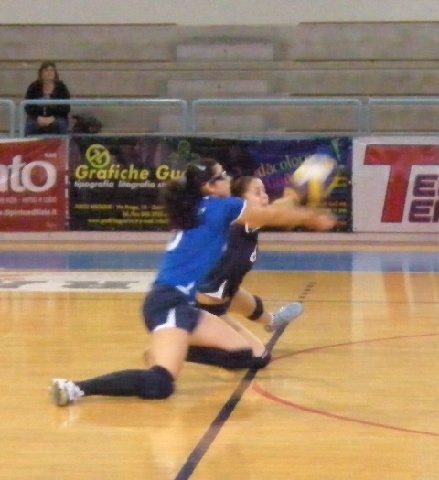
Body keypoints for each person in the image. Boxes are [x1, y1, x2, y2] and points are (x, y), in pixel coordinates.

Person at [51, 158, 336, 406]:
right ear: (210, 187)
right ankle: (76, 388)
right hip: (168, 302)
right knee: (160, 384)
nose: (228, 179)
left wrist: (293, 199)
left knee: (242, 355)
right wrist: (310, 216)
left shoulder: (202, 207)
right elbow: (271, 215)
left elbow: (267, 214)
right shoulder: (219, 208)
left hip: (185, 305)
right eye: (222, 176)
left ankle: (172, 348)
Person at [189, 176, 304, 364]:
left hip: (223, 291)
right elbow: (277, 211)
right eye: (257, 193)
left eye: (264, 191)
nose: (265, 196)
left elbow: (276, 211)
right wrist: (294, 196)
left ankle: (272, 321)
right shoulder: (241, 222)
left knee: (247, 301)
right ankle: (183, 346)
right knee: (259, 358)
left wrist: (291, 199)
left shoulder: (247, 222)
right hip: (204, 306)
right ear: (241, 202)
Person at [24, 61, 71, 136]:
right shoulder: (33, 87)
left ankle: (63, 143)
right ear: (41, 73)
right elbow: (28, 106)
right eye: (46, 70)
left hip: (56, 118)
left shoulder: (61, 87)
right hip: (37, 118)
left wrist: (53, 118)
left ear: (55, 73)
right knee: (30, 125)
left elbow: (66, 107)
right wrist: (38, 117)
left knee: (61, 124)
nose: (49, 73)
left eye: (51, 70)